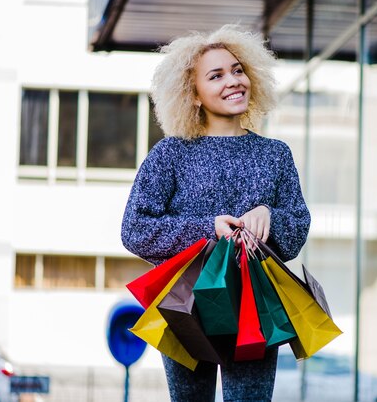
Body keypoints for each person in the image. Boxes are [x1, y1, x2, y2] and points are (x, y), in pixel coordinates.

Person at [120, 24, 311, 402]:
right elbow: (135, 230)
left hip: (255, 306)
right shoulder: (169, 154)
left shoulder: (275, 155)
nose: (233, 81)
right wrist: (208, 229)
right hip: (185, 304)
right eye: (216, 75)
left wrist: (269, 216)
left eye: (238, 70)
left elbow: (297, 229)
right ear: (192, 94)